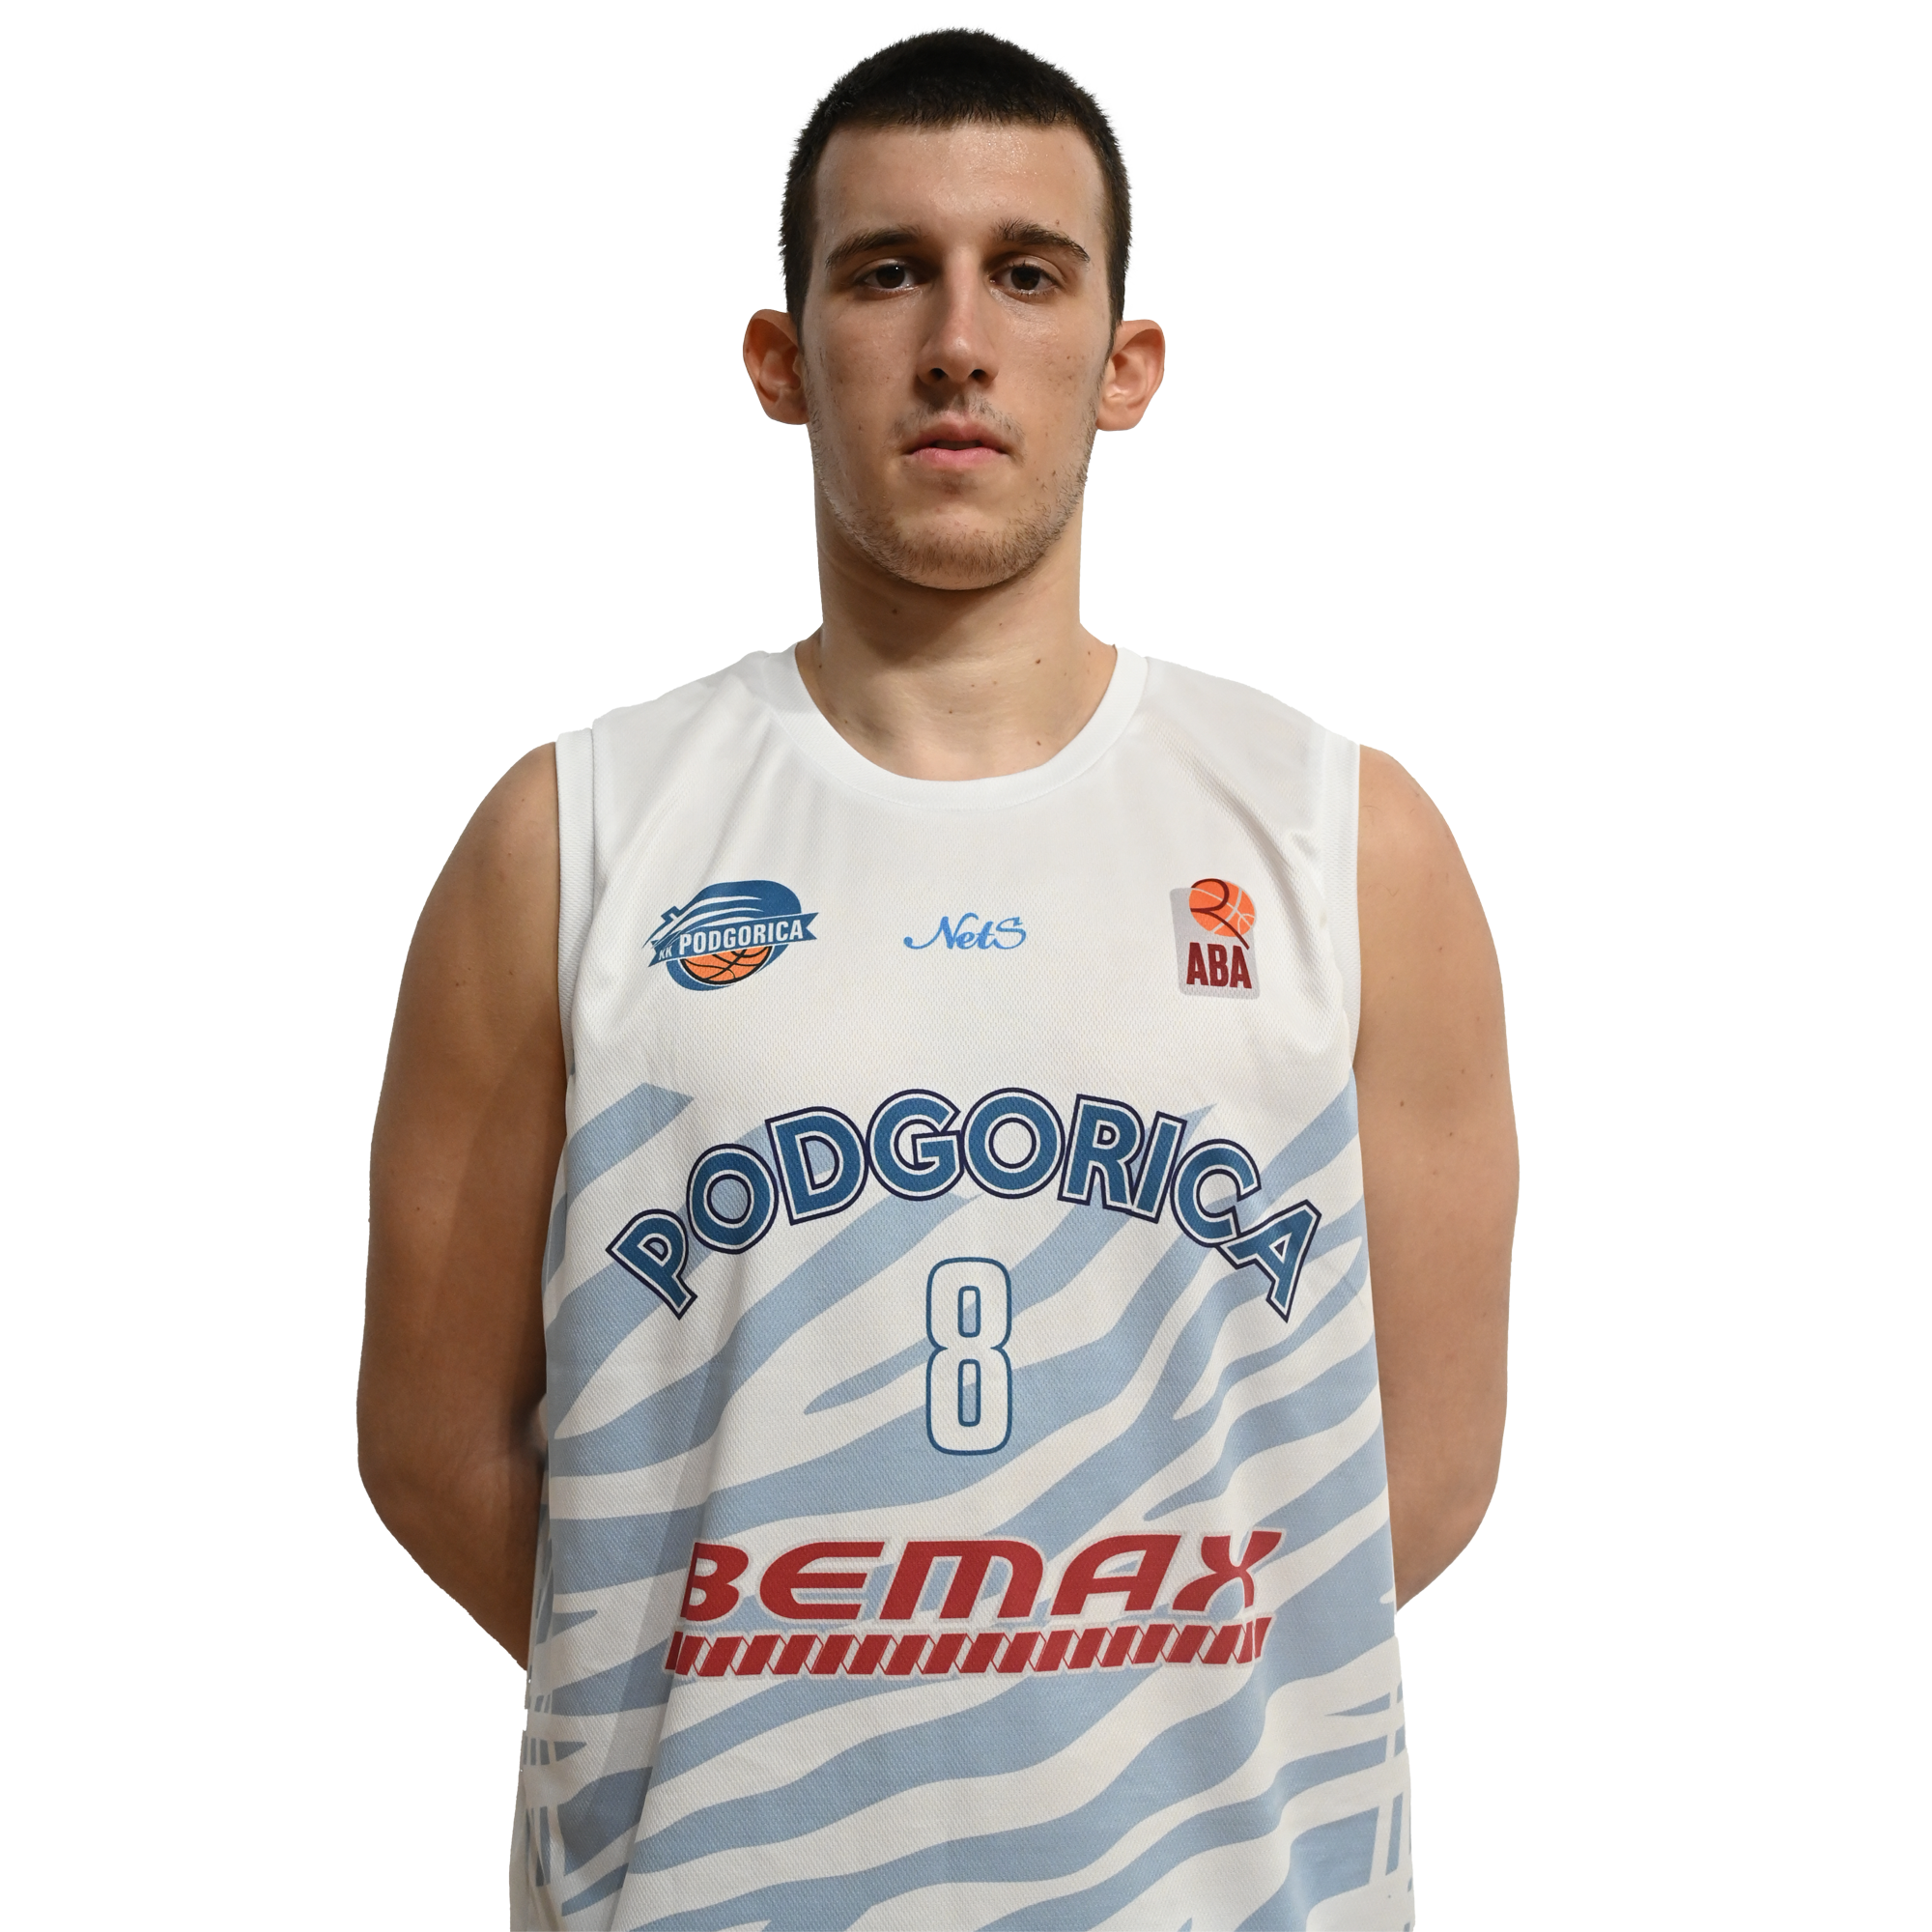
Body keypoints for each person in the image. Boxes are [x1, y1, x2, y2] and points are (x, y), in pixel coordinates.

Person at [359, 26, 1516, 1930]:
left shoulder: (1341, 842)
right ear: (781, 355)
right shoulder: (570, 841)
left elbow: (1429, 1470)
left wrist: (1082, 1682)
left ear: (1124, 363)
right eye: (888, 270)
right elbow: (429, 1447)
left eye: (1029, 274)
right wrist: (742, 1678)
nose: (959, 340)